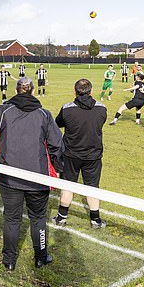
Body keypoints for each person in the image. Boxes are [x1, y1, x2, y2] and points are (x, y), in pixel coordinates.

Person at [0, 77, 64, 270]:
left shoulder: (41, 114)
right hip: (27, 177)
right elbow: (58, 145)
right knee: (35, 218)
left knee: (13, 218)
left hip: (18, 177)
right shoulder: (9, 111)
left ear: (16, 90)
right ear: (31, 91)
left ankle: (17, 259)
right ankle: (30, 257)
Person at [53, 79, 108, 229]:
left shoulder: (67, 109)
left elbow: (57, 123)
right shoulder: (101, 108)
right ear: (91, 91)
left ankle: (61, 218)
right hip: (93, 155)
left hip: (71, 155)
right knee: (92, 187)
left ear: (75, 91)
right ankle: (95, 220)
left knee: (67, 185)